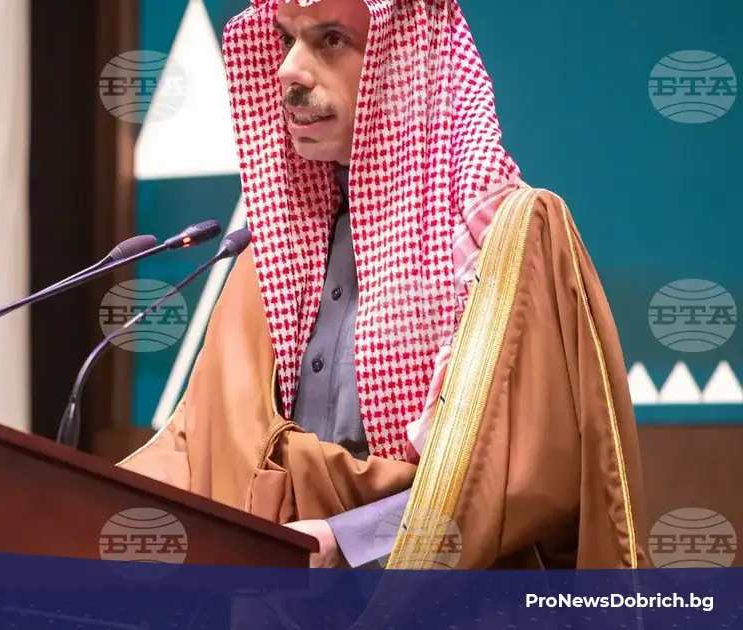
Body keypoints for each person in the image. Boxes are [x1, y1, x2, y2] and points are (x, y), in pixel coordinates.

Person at [118, 0, 651, 571]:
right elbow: (199, 446)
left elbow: (522, 474)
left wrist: (349, 540)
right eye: (286, 39)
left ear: (405, 62)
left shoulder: (505, 237)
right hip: (272, 593)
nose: (288, 70)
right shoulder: (272, 251)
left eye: (331, 40)